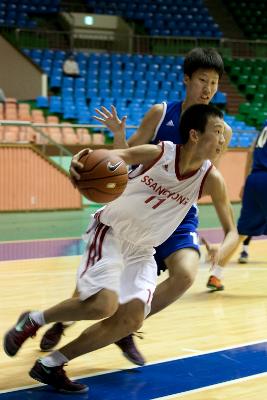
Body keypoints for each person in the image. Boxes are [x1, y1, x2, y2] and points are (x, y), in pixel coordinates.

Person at [4, 104, 238, 393]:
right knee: (103, 305)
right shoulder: (160, 153)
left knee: (130, 319)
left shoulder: (211, 178)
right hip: (111, 233)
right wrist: (83, 157)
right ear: (194, 134)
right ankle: (33, 320)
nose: (223, 140)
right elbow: (118, 156)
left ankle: (51, 364)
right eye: (217, 132)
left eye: (224, 134)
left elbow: (232, 231)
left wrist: (219, 249)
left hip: (143, 250)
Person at [39, 47, 232, 364]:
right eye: (202, 80)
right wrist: (109, 143)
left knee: (184, 274)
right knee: (94, 292)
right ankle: (62, 320)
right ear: (186, 80)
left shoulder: (220, 130)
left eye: (214, 83)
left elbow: (203, 180)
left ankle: (124, 328)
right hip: (139, 205)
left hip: (176, 216)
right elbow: (123, 160)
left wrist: (205, 236)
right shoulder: (161, 113)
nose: (208, 89)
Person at [207, 121, 267, 285]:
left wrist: (246, 181)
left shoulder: (264, 126)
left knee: (241, 232)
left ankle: (216, 275)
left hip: (254, 180)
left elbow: (250, 152)